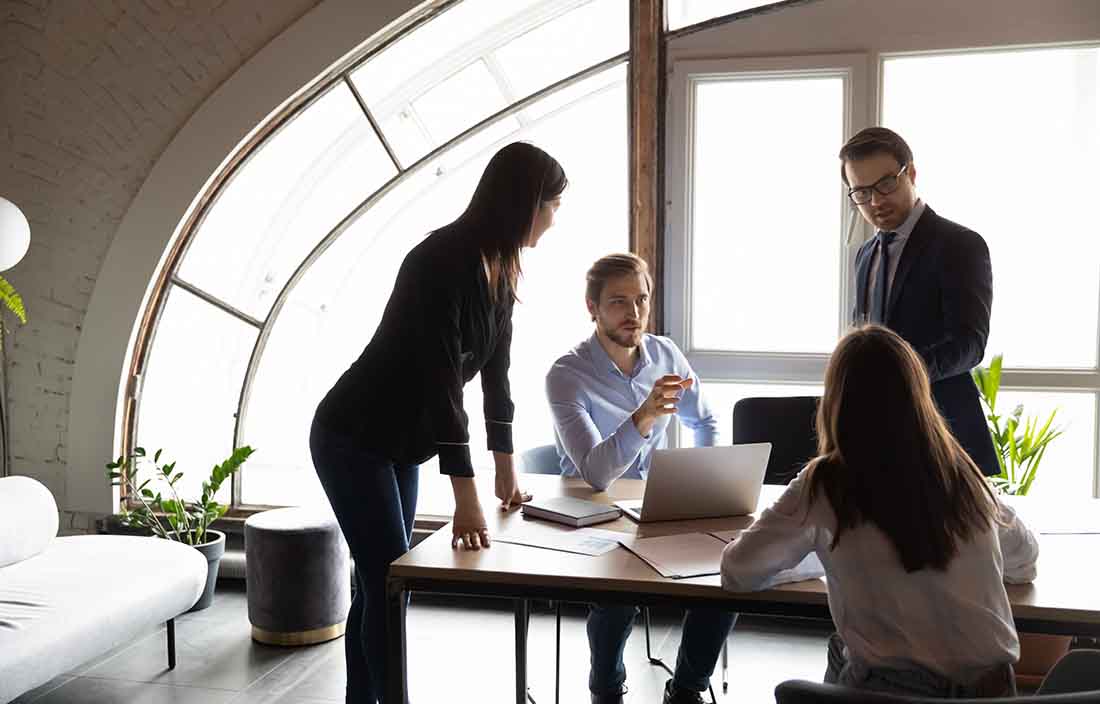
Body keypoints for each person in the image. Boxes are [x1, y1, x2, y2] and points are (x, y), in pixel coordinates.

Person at [310, 142, 566, 704]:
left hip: (400, 444)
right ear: (526, 203)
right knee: (387, 582)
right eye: (552, 206)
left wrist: (507, 465)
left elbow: (496, 375)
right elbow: (443, 383)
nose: (554, 221)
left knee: (382, 582)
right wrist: (466, 495)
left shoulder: (500, 267)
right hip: (352, 436)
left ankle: (362, 697)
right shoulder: (440, 261)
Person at [721, 324, 1039, 698]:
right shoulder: (960, 473)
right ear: (919, 394)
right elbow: (1025, 561)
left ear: (837, 400)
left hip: (891, 693)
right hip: (992, 692)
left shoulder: (827, 482)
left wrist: (818, 559)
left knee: (845, 647)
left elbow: (738, 571)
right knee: (842, 648)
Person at [545, 253, 735, 704]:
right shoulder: (567, 375)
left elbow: (705, 421)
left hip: (659, 507)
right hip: (594, 517)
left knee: (730, 577)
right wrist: (645, 416)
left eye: (641, 300)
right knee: (617, 592)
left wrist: (700, 480)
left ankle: (686, 688)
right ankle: (606, 688)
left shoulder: (665, 354)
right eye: (618, 302)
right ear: (591, 307)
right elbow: (595, 473)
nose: (634, 314)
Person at [841, 127, 999, 477]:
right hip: (879, 440)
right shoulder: (865, 255)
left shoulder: (960, 244)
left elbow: (970, 344)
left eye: (886, 184)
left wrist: (901, 376)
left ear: (910, 173)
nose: (876, 201)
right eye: (862, 192)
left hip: (945, 435)